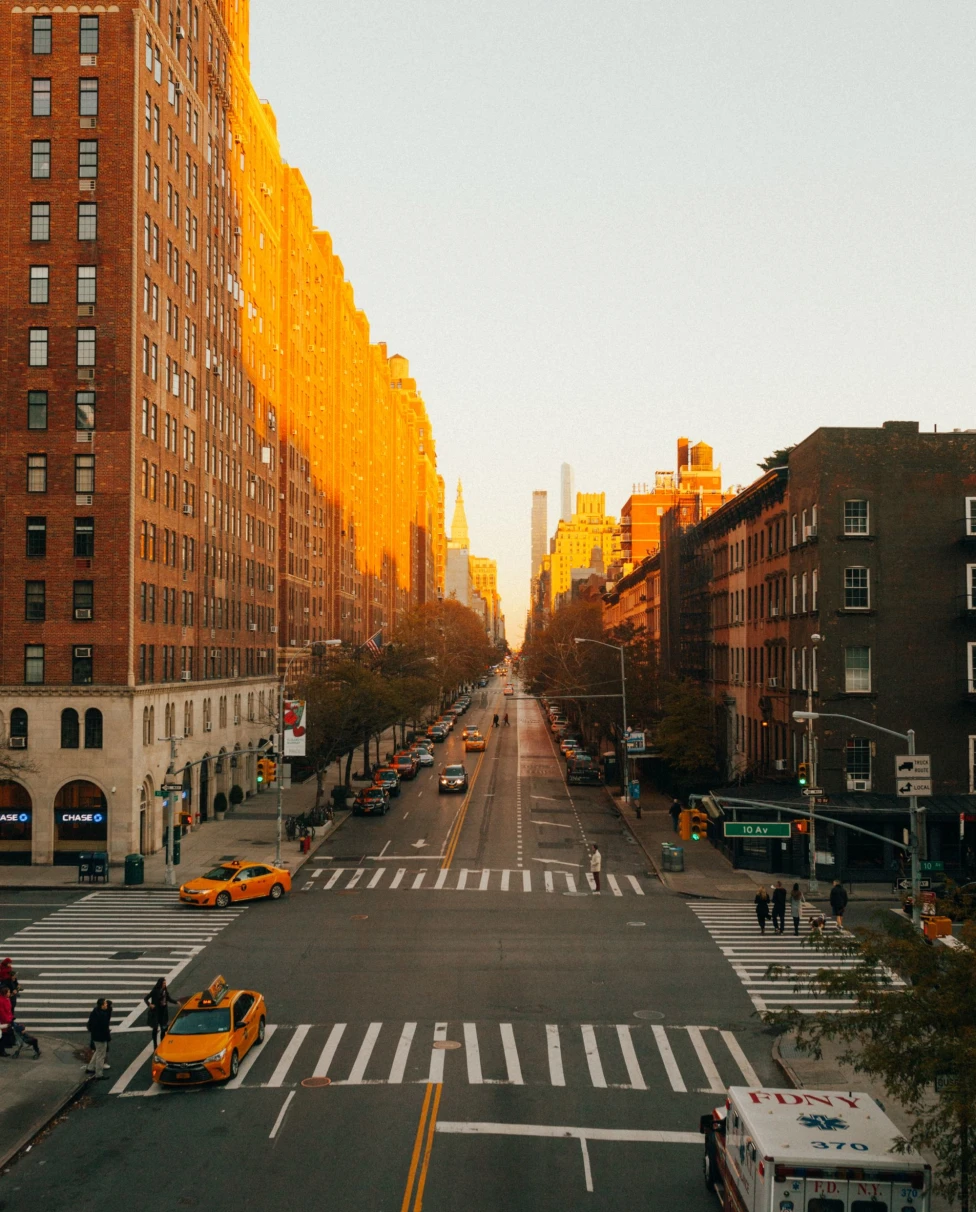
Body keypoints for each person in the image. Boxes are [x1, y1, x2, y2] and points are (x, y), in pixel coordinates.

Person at [86, 997, 112, 1079]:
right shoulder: (103, 1016)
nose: (106, 1004)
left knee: (98, 1052)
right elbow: (106, 1024)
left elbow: (89, 1024)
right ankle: (99, 1074)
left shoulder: (95, 1012)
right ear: (102, 1005)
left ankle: (90, 1067)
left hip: (95, 1036)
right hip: (101, 1037)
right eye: (105, 1003)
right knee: (101, 1055)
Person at [144, 978, 175, 1048]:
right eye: (163, 983)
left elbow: (169, 999)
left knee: (163, 1029)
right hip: (156, 1013)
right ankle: (155, 1044)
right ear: (160, 984)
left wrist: (176, 1002)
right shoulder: (155, 991)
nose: (165, 984)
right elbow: (146, 998)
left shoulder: (165, 991)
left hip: (163, 1012)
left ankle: (162, 1044)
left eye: (165, 983)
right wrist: (150, 1005)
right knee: (155, 1029)